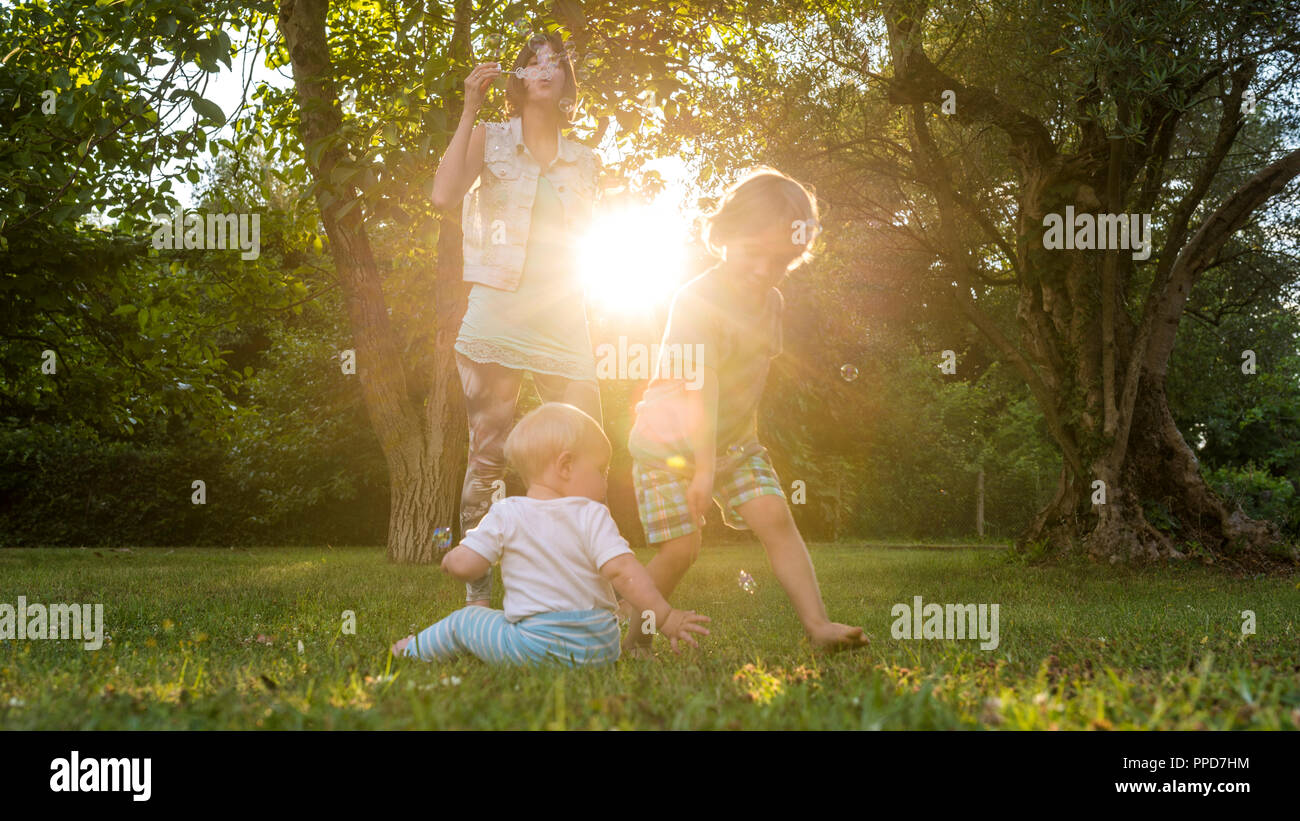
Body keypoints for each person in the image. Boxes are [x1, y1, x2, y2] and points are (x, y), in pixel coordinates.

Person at [622, 169, 869, 654]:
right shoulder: (697, 300)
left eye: (780, 261)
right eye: (755, 253)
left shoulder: (770, 303)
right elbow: (702, 386)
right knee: (682, 548)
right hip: (666, 446)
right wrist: (703, 470)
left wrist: (740, 455)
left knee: (777, 517)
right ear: (725, 236)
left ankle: (818, 625)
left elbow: (750, 379)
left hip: (733, 442)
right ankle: (632, 639)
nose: (763, 270)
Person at [431, 33, 602, 608]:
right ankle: (478, 597)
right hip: (498, 315)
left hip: (564, 318)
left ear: (566, 80)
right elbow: (443, 194)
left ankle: (582, 585)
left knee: (584, 451)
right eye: (533, 60)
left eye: (557, 59)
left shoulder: (586, 160)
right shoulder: (491, 138)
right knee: (489, 457)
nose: (545, 67)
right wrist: (468, 108)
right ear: (519, 79)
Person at [392, 403, 710, 666]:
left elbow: (468, 566)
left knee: (468, 619)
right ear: (566, 466)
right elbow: (625, 572)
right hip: (600, 651)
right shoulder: (594, 515)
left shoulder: (507, 513)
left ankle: (412, 649)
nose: (604, 483)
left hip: (533, 648)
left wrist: (452, 559)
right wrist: (665, 616)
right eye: (601, 471)